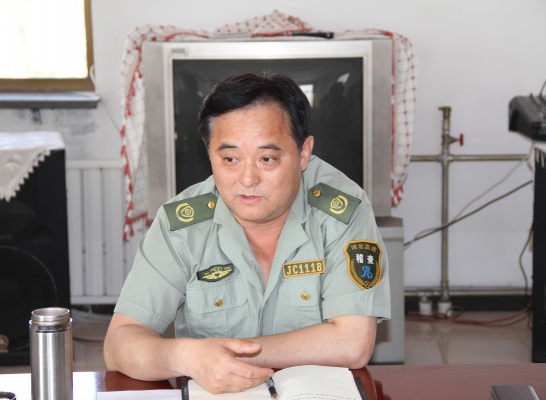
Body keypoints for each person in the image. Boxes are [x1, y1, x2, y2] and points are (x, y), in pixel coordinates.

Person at [103, 72, 391, 394]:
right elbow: (119, 344)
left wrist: (229, 356)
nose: (247, 178)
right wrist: (188, 356)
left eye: (267, 159)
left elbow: (353, 343)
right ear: (209, 152)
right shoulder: (182, 226)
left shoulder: (342, 211)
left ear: (303, 153)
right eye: (230, 159)